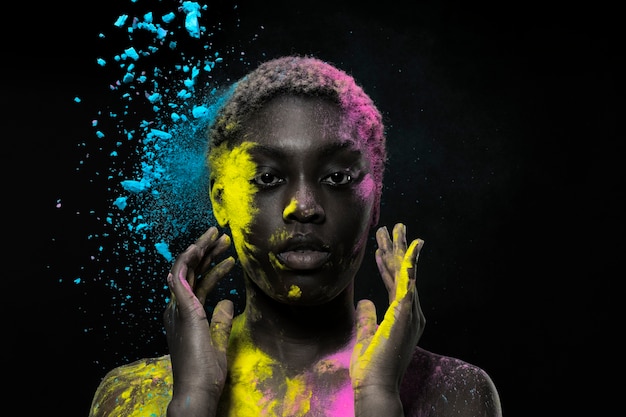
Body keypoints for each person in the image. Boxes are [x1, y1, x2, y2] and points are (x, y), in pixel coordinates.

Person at [88, 55, 502, 417]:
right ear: (220, 200)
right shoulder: (133, 398)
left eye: (337, 177)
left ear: (375, 198)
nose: (303, 206)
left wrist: (378, 400)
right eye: (267, 178)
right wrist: (193, 401)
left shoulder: (455, 395)